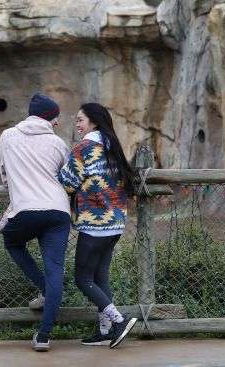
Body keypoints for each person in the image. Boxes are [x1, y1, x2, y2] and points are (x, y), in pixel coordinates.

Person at [58, 103, 137, 348]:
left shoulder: (84, 148)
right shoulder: (112, 146)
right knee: (99, 277)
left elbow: (68, 182)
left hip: (95, 225)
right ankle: (105, 331)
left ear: (93, 121)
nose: (77, 124)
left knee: (83, 278)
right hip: (115, 223)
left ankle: (119, 321)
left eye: (80, 120)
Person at [0, 93, 71, 352]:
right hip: (58, 212)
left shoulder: (7, 136)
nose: (58, 123)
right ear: (50, 118)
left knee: (12, 242)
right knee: (55, 270)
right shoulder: (58, 143)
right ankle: (44, 336)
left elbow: (6, 178)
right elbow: (66, 177)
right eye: (56, 119)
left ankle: (43, 288)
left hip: (25, 209)